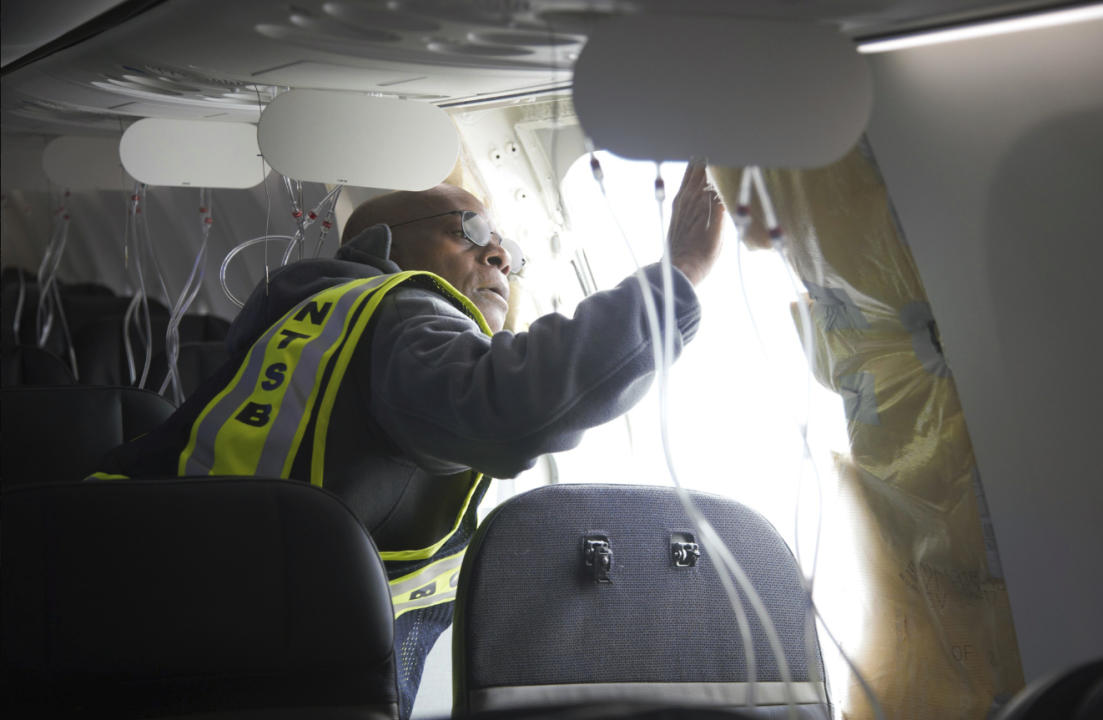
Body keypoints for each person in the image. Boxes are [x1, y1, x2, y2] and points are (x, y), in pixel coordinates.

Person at [95, 162, 725, 715]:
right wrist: (681, 277)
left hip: (157, 609)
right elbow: (511, 405)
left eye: (508, 248)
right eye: (470, 232)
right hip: (277, 661)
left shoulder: (317, 317)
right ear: (381, 245)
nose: (500, 256)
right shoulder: (399, 312)